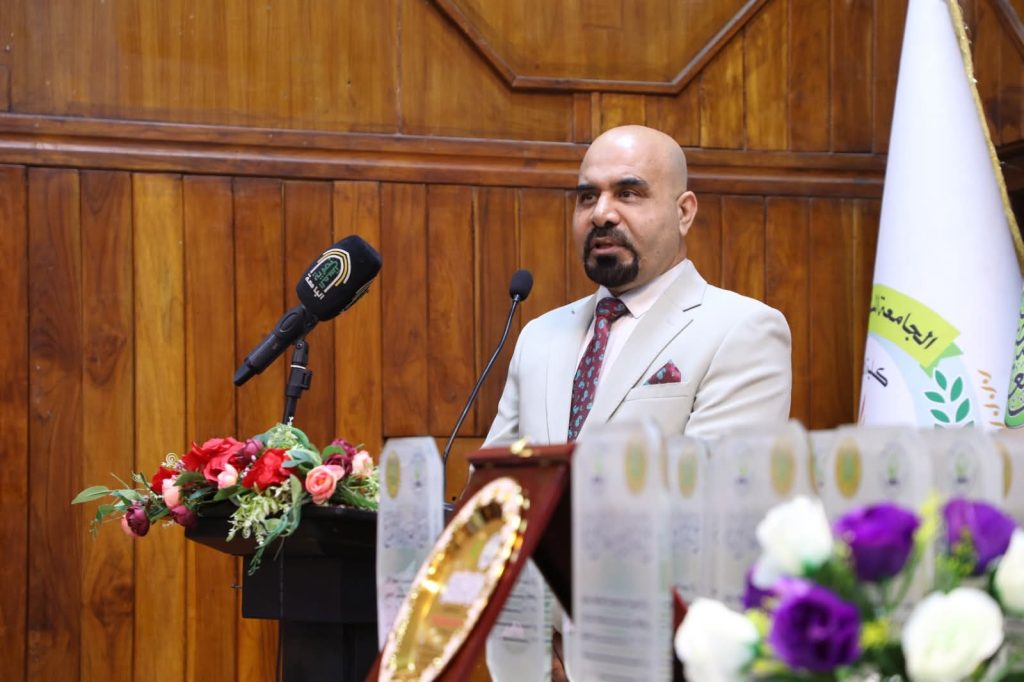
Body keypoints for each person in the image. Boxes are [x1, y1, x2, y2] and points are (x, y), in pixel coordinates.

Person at [484, 125, 792, 447]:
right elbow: (492, 473)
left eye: (627, 194)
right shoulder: (538, 336)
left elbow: (718, 475)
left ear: (683, 212)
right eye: (588, 197)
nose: (601, 214)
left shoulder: (743, 330)